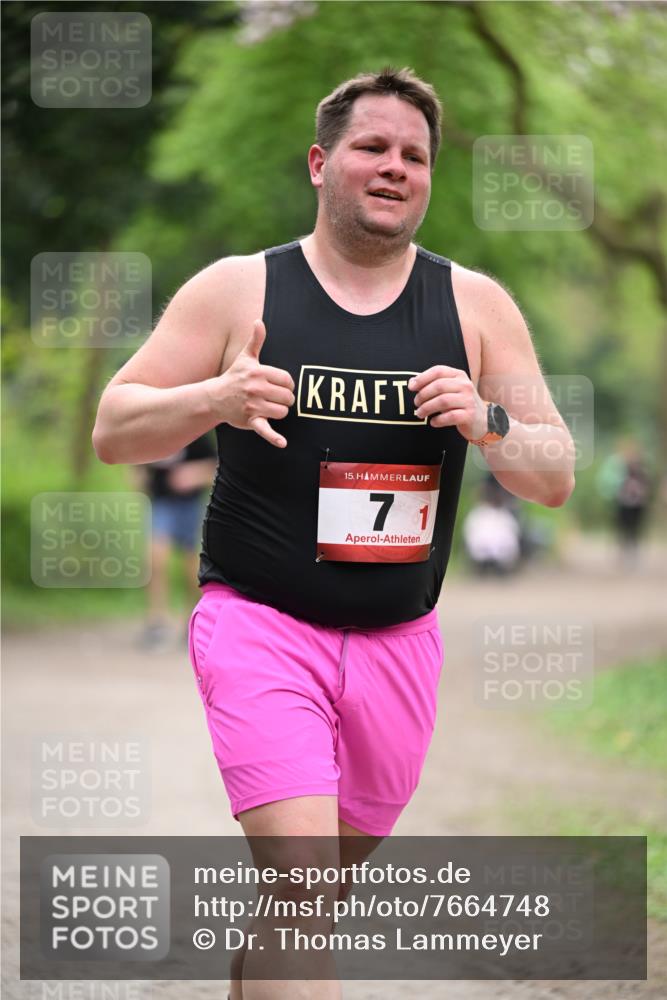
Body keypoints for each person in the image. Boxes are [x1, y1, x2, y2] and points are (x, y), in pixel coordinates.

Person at [92, 67, 575, 1000]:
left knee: (306, 898)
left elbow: (550, 475)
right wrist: (216, 398)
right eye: (371, 147)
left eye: (414, 156)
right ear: (320, 163)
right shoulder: (240, 290)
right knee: (306, 881)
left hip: (399, 646)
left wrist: (488, 422)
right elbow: (116, 426)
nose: (394, 167)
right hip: (261, 626)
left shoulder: (474, 308)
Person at [130, 433, 217, 649]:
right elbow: (136, 463)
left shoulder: (196, 433)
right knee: (156, 559)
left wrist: (193, 475)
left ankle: (192, 621)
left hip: (189, 504)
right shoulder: (154, 429)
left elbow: (215, 467)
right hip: (161, 502)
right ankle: (156, 621)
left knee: (193, 567)